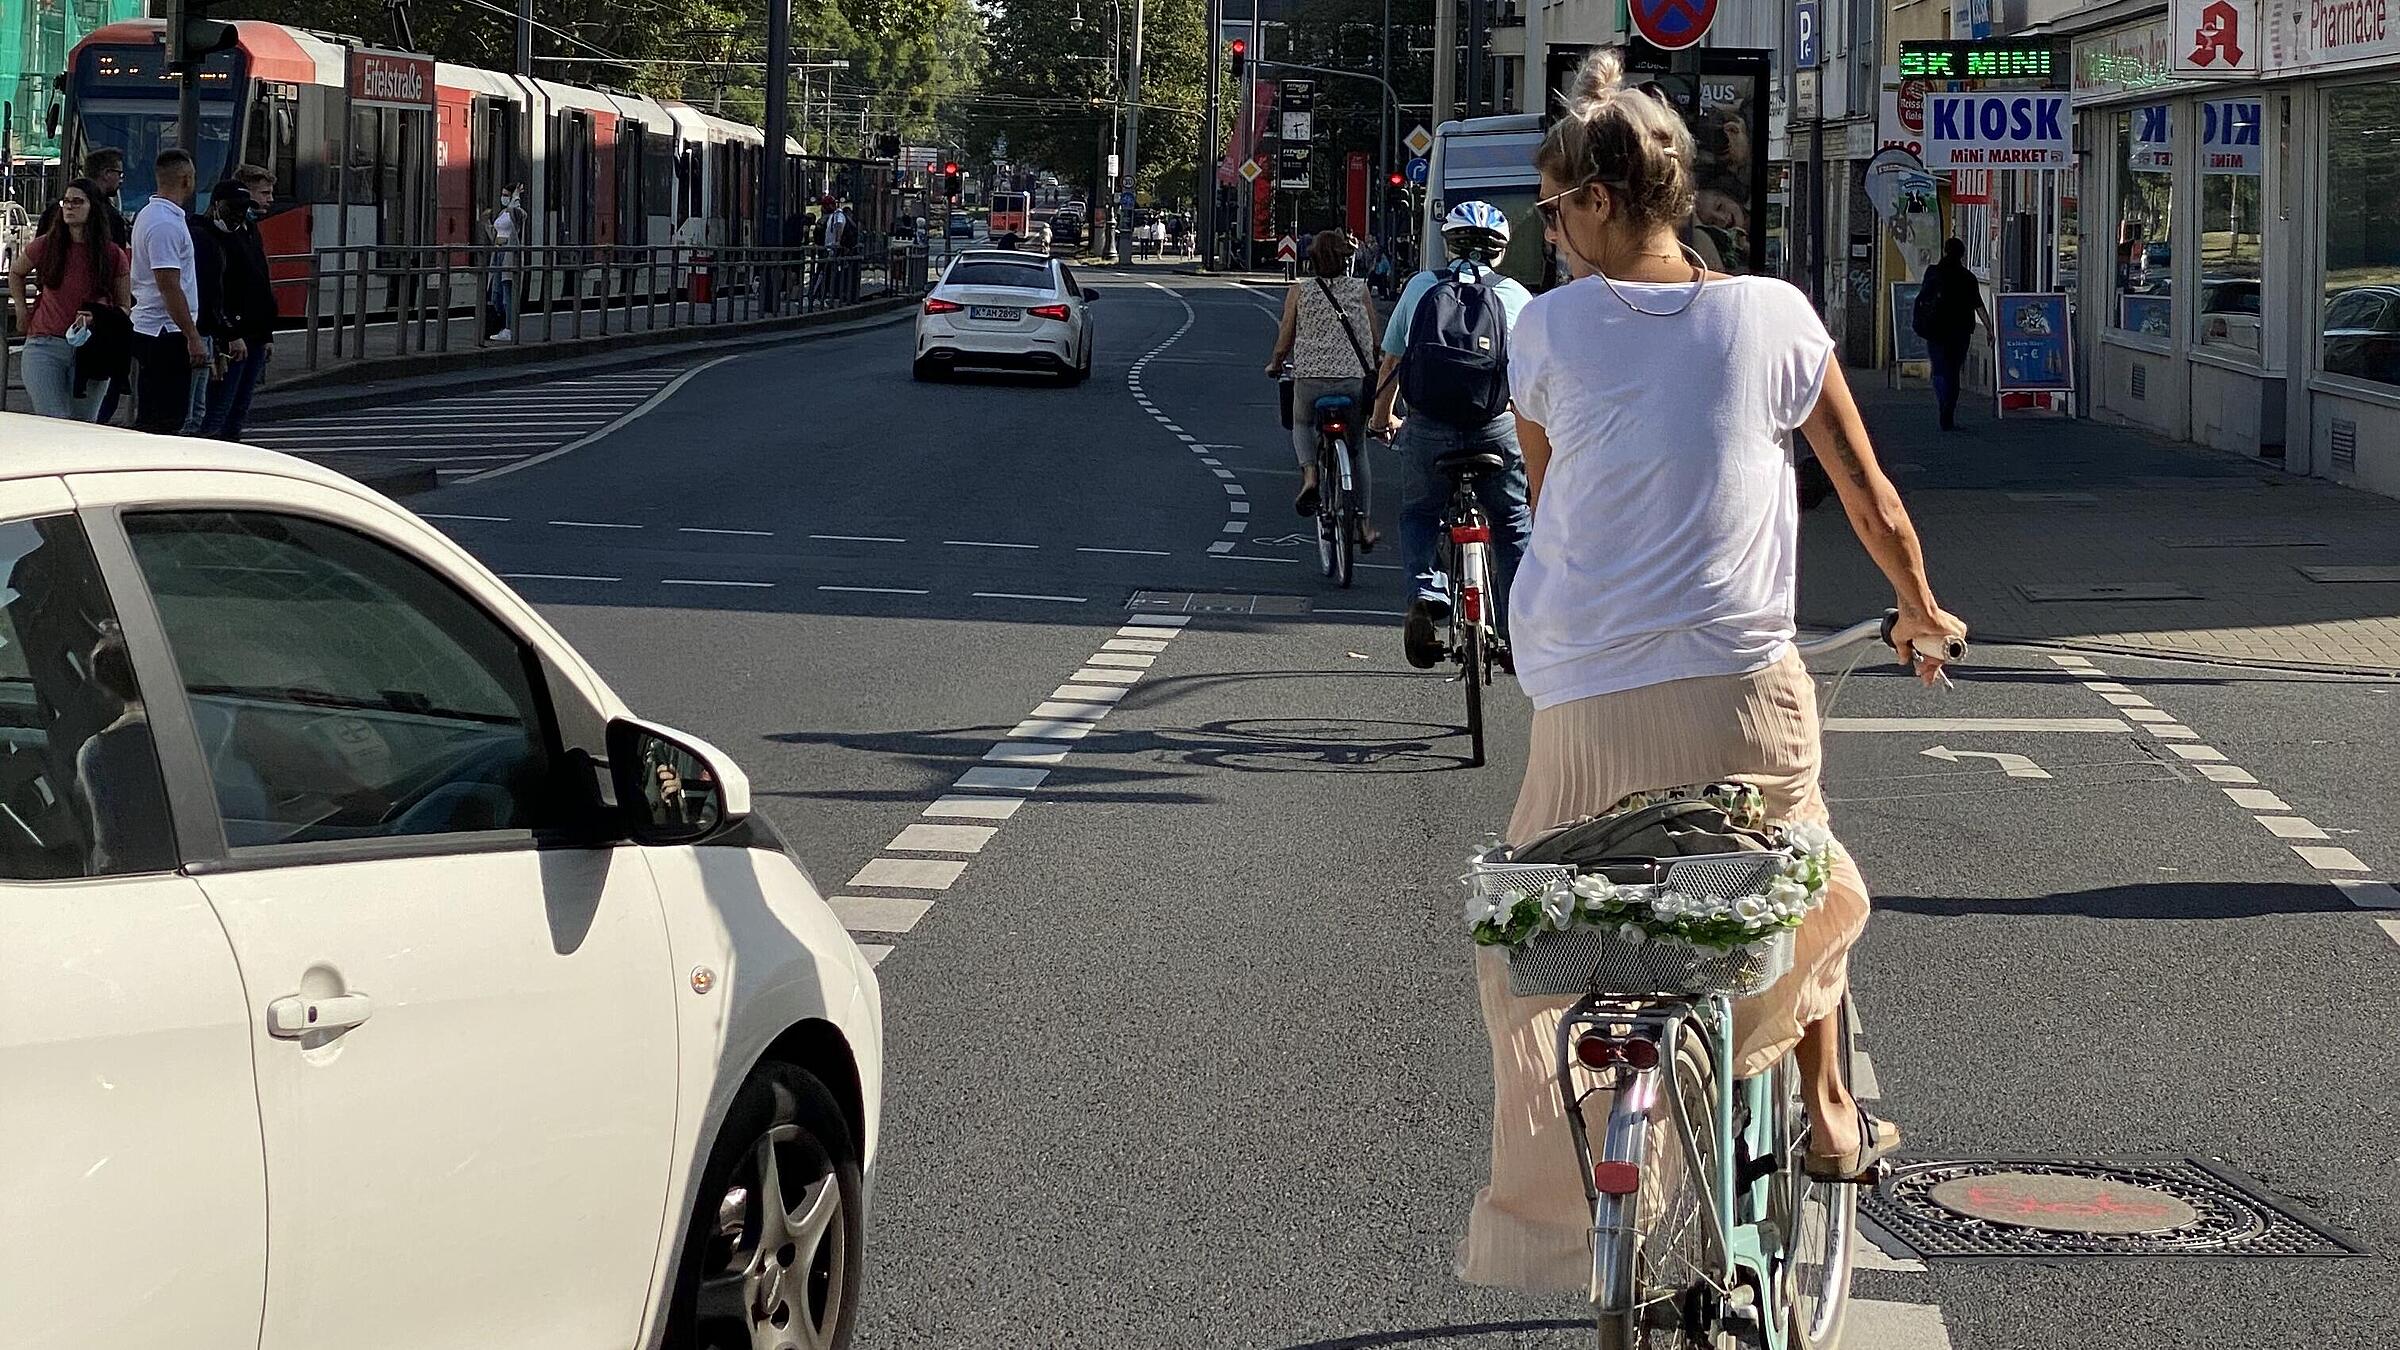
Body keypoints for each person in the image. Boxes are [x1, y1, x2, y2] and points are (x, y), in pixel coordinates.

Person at [1454, 49, 1969, 1296]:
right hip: (1741, 687)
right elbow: (1869, 498)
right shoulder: (1779, 315)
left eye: (1553, 208)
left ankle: (1609, 1142)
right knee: (1797, 882)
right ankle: (1833, 1110)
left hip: (1579, 698)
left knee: (1584, 914)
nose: (1549, 232)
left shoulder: (1552, 330)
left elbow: (1551, 487)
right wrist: (1920, 610)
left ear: (1590, 203)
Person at [1369, 200, 1536, 670]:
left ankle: (1426, 593)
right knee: (1512, 522)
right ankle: (1515, 628)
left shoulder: (1422, 287)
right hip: (1495, 429)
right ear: (1500, 252)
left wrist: (1382, 417)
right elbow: (1530, 380)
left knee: (1420, 513)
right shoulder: (1518, 298)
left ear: (1448, 245)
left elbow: (1393, 363)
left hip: (1428, 429)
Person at [1266, 230, 1383, 548]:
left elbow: (1286, 337)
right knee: (1357, 447)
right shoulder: (1359, 289)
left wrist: (1275, 364)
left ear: (1312, 260)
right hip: (1353, 382)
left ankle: (1310, 477)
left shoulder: (1300, 291)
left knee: (1301, 423)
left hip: (1310, 380)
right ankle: (1364, 526)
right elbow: (1374, 340)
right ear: (1346, 259)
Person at [8, 178, 132, 422]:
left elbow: (124, 307)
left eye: (78, 201)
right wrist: (22, 310)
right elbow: (16, 272)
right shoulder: (45, 245)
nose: (70, 207)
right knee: (54, 420)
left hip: (93, 349)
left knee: (82, 426)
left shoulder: (112, 254)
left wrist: (98, 316)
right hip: (44, 344)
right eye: (66, 201)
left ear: (93, 207)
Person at [128, 148, 208, 435]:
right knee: (166, 417)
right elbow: (169, 285)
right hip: (165, 331)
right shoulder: (165, 224)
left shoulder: (150, 215)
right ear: (186, 179)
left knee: (154, 412)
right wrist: (192, 335)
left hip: (152, 327)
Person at [200, 170, 277, 441]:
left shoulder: (249, 229)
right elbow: (218, 288)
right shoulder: (218, 233)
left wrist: (266, 334)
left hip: (254, 332)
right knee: (221, 406)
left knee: (239, 406)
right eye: (264, 193)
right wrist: (230, 333)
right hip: (235, 334)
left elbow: (260, 279)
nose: (269, 200)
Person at [180, 183, 243, 435]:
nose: (238, 217)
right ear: (216, 205)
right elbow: (208, 292)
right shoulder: (204, 239)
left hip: (203, 331)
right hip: (199, 330)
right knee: (193, 412)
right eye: (234, 209)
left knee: (196, 409)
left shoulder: (213, 237)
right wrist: (223, 335)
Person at [1919, 237, 1991, 431]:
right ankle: (1949, 409)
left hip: (1936, 329)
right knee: (1953, 371)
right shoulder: (1967, 277)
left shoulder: (1933, 273)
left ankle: (1943, 402)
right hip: (1960, 331)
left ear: (1945, 251)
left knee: (1939, 369)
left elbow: (1923, 299)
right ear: (1963, 254)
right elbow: (1979, 305)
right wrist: (1990, 329)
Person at [484, 183, 526, 341]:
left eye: (506, 195)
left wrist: (516, 197)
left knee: (508, 294)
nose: (503, 197)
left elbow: (515, 213)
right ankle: (502, 326)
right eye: (502, 194)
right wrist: (486, 223)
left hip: (509, 257)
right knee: (496, 294)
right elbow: (495, 236)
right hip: (498, 255)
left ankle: (509, 328)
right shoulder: (502, 213)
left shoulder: (519, 213)